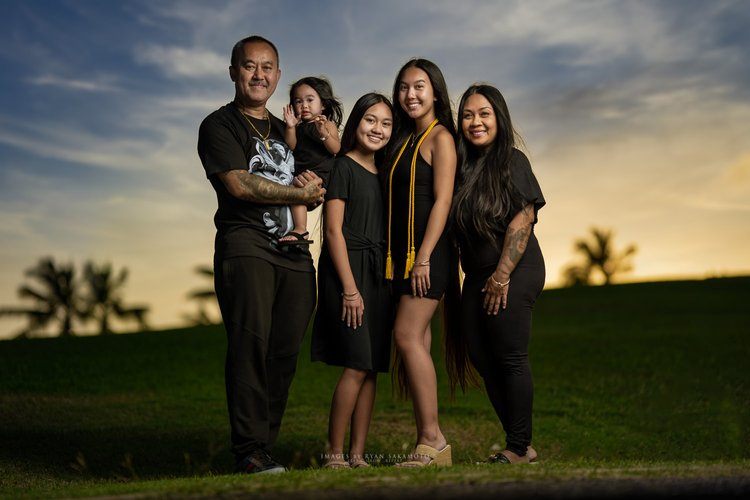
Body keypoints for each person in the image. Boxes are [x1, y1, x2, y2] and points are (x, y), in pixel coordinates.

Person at [197, 35, 326, 475]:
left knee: (284, 353)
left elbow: (319, 176)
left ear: (278, 75)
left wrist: (315, 187)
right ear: (234, 71)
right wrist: (299, 192)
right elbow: (238, 184)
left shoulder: (288, 127)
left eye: (267, 67)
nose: (259, 75)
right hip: (246, 245)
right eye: (249, 66)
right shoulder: (220, 125)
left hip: (294, 254)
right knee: (251, 345)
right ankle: (250, 450)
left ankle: (262, 448)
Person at [448, 84, 546, 464]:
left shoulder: (512, 160)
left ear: (498, 118)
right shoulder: (461, 165)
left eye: (484, 113)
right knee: (481, 357)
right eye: (468, 115)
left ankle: (519, 447)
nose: (476, 122)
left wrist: (503, 274)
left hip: (515, 268)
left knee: (509, 356)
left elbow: (524, 218)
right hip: (477, 273)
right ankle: (521, 442)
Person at [311, 93, 394, 469]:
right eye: (370, 120)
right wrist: (349, 288)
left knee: (372, 365)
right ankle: (333, 454)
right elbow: (332, 231)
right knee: (356, 363)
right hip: (349, 271)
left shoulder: (387, 172)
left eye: (386, 123)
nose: (377, 129)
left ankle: (358, 455)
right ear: (356, 123)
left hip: (379, 275)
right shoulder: (342, 166)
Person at [386, 59, 457, 467]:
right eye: (404, 87)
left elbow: (443, 200)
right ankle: (430, 447)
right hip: (403, 260)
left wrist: (425, 257)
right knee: (419, 342)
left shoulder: (440, 137)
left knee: (405, 336)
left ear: (435, 93)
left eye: (419, 86)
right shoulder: (403, 139)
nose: (410, 95)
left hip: (428, 257)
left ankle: (433, 438)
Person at [281, 76, 343, 246]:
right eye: (298, 101)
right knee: (295, 190)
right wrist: (291, 126)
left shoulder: (326, 123)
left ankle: (301, 229)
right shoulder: (299, 127)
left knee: (297, 190)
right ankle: (299, 227)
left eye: (310, 100)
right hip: (304, 172)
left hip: (322, 172)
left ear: (323, 104)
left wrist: (323, 133)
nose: (304, 105)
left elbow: (336, 149)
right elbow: (291, 145)